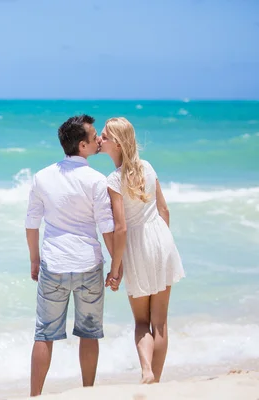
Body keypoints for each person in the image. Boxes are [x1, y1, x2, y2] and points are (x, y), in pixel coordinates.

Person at [25, 114, 115, 396]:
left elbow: (31, 222)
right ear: (82, 146)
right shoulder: (97, 180)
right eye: (93, 137)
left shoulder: (42, 176)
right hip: (89, 264)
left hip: (54, 263)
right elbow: (107, 227)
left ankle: (35, 395)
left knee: (44, 334)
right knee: (89, 333)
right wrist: (117, 264)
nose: (98, 140)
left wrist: (34, 259)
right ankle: (87, 391)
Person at [99, 117, 185, 384]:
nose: (99, 140)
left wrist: (116, 268)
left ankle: (146, 370)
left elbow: (121, 228)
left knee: (141, 322)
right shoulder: (147, 167)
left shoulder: (113, 180)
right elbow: (164, 210)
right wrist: (164, 242)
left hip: (137, 245)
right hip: (161, 238)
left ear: (116, 143)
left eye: (104, 136)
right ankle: (156, 382)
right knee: (160, 321)